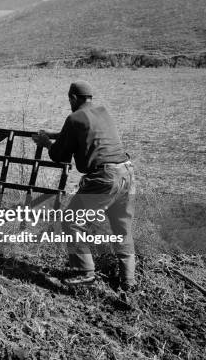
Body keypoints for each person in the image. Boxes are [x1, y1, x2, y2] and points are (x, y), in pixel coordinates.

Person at [32, 80, 136, 290]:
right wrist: (55, 134)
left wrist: (46, 143)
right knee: (122, 229)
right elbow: (86, 134)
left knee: (72, 221)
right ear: (90, 98)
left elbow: (59, 155)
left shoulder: (73, 118)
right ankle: (128, 281)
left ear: (72, 98)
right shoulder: (102, 112)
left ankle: (85, 272)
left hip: (105, 178)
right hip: (127, 173)